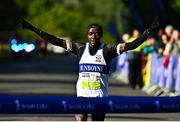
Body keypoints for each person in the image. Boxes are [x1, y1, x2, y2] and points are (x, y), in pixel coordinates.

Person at [21, 17, 159, 121]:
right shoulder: (79, 48)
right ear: (87, 35)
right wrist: (34, 29)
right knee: (80, 119)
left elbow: (131, 45)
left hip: (100, 98)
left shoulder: (107, 50)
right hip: (82, 97)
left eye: (97, 33)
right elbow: (55, 40)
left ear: (101, 35)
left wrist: (148, 32)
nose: (93, 36)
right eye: (91, 34)